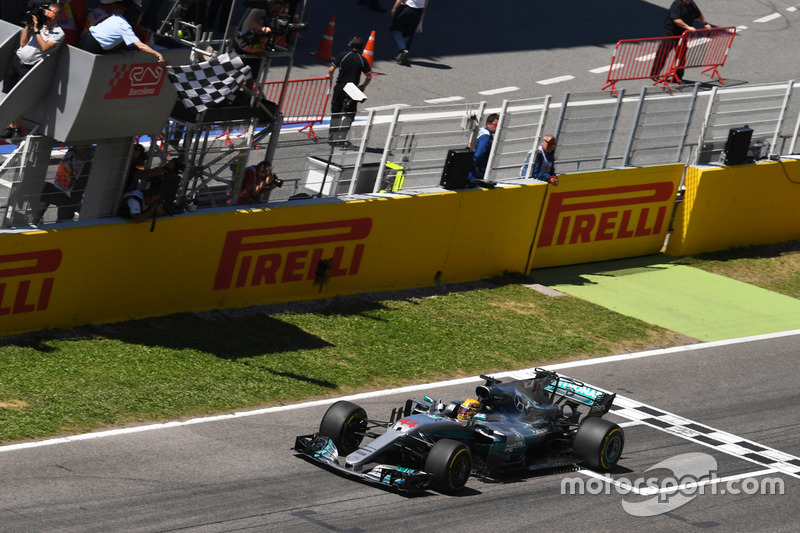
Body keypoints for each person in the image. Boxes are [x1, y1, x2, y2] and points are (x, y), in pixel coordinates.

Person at [0, 2, 64, 140]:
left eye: (51, 13)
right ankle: (12, 127)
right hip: (17, 60)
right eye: (47, 12)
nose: (48, 16)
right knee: (9, 94)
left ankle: (15, 129)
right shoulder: (39, 25)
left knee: (17, 98)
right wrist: (28, 25)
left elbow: (46, 47)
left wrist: (36, 29)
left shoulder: (58, 33)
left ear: (58, 16)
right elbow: (23, 43)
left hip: (29, 67)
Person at [79, 1, 165, 65]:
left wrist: (118, 49)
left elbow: (109, 35)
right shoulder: (125, 28)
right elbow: (141, 46)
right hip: (93, 45)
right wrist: (157, 54)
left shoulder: (116, 16)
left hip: (86, 37)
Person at [650, 0, 712, 82]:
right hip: (671, 31)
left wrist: (705, 23)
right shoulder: (677, 4)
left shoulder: (691, 4)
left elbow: (698, 14)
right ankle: (655, 73)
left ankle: (678, 76)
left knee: (681, 54)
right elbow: (676, 20)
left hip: (682, 33)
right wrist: (688, 27)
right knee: (663, 52)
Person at [328, 37, 372, 143]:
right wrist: (363, 86)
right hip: (352, 88)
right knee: (350, 114)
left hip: (340, 86)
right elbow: (369, 76)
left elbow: (331, 69)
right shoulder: (362, 60)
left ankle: (332, 136)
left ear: (350, 45)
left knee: (336, 112)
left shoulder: (343, 55)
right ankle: (341, 136)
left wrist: (330, 76)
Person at [35, 145, 94, 223]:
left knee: (64, 206)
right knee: (65, 206)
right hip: (65, 193)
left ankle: (37, 219)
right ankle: (39, 219)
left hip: (65, 193)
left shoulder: (70, 155)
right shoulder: (78, 160)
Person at [390, 0, 427, 64]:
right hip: (419, 10)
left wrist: (394, 7)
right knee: (409, 33)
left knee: (395, 29)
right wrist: (423, 10)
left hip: (407, 8)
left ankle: (402, 49)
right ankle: (401, 56)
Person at [468, 113, 498, 182]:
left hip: (470, 168)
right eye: (496, 125)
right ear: (488, 124)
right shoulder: (486, 137)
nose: (497, 128)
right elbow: (479, 154)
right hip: (476, 172)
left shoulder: (479, 131)